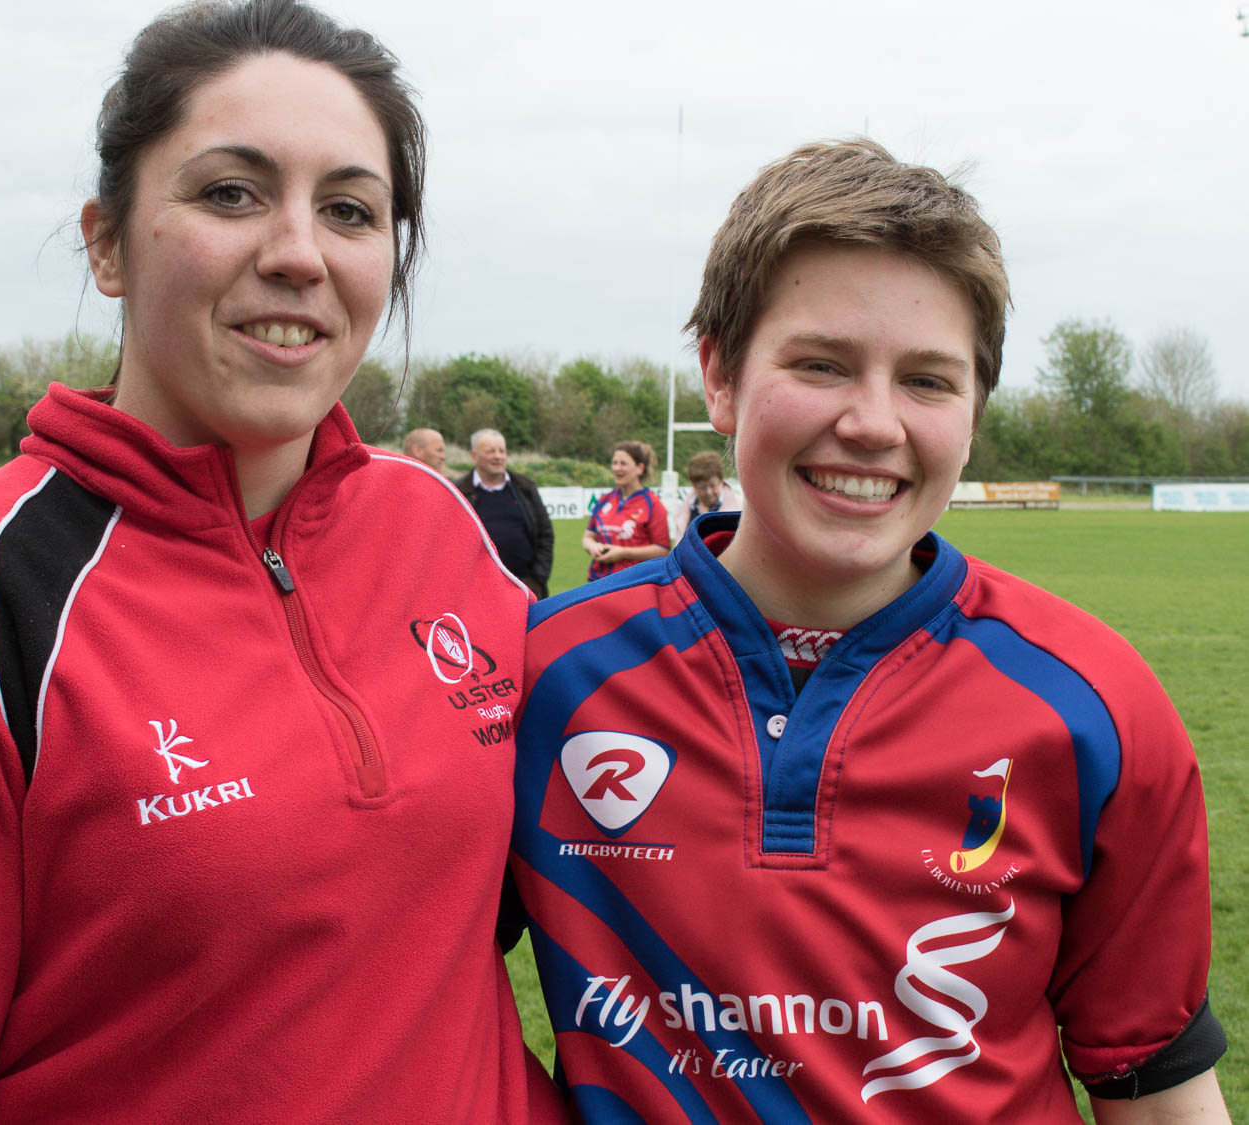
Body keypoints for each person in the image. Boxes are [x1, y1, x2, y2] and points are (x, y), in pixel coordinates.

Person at [0, 4, 567, 1122]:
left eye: (349, 209)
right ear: (105, 243)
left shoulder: (443, 532)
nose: (296, 253)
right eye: (229, 193)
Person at [510, 139, 1227, 1123]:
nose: (875, 423)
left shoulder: (1093, 705)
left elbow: (1151, 1082)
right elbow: (400, 1005)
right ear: (719, 376)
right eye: (822, 364)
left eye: (928, 381)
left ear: (974, 411)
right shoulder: (545, 675)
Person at [454, 427, 555, 597]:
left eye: (502, 451)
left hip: (525, 587)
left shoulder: (524, 487)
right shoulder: (459, 491)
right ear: (474, 455)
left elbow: (545, 534)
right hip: (477, 591)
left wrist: (537, 578)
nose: (498, 456)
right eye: (490, 451)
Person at [581, 439, 669, 580]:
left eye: (623, 463)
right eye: (614, 463)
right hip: (598, 581)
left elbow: (662, 550)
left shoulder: (653, 504)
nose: (617, 468)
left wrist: (623, 553)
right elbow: (588, 537)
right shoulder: (605, 500)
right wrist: (592, 547)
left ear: (639, 468)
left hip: (633, 583)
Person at [668, 448, 741, 543]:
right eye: (702, 488)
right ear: (693, 485)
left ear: (721, 480)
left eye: (713, 485)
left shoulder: (740, 508)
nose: (708, 492)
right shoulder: (684, 512)